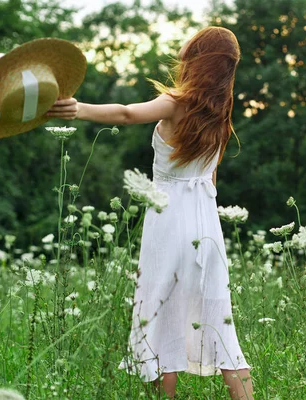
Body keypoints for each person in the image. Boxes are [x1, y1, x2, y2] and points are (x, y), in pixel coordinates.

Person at [46, 26, 254, 400]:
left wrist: (79, 109)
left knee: (158, 318)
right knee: (220, 322)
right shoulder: (220, 116)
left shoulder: (177, 102)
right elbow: (211, 179)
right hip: (207, 225)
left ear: (195, 60)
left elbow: (126, 114)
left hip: (169, 219)